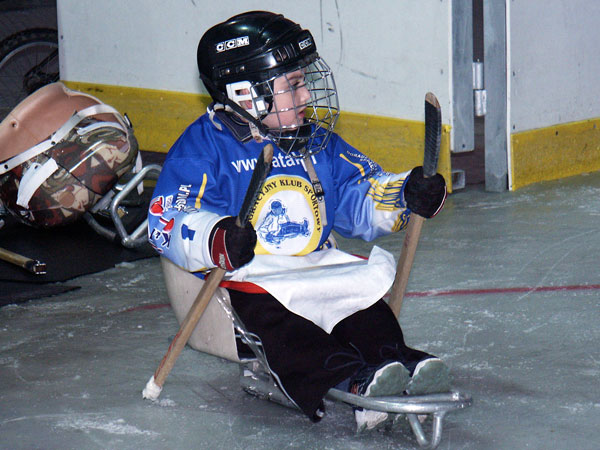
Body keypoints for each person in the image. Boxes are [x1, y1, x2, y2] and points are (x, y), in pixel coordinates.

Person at [148, 11, 450, 431]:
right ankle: (351, 379)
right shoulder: (204, 147)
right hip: (250, 280)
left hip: (313, 267)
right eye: (292, 85)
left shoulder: (316, 141)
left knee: (365, 306)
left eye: (303, 81)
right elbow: (167, 218)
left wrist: (403, 194)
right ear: (245, 93)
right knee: (285, 329)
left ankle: (396, 362)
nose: (306, 95)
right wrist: (214, 236)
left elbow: (355, 193)